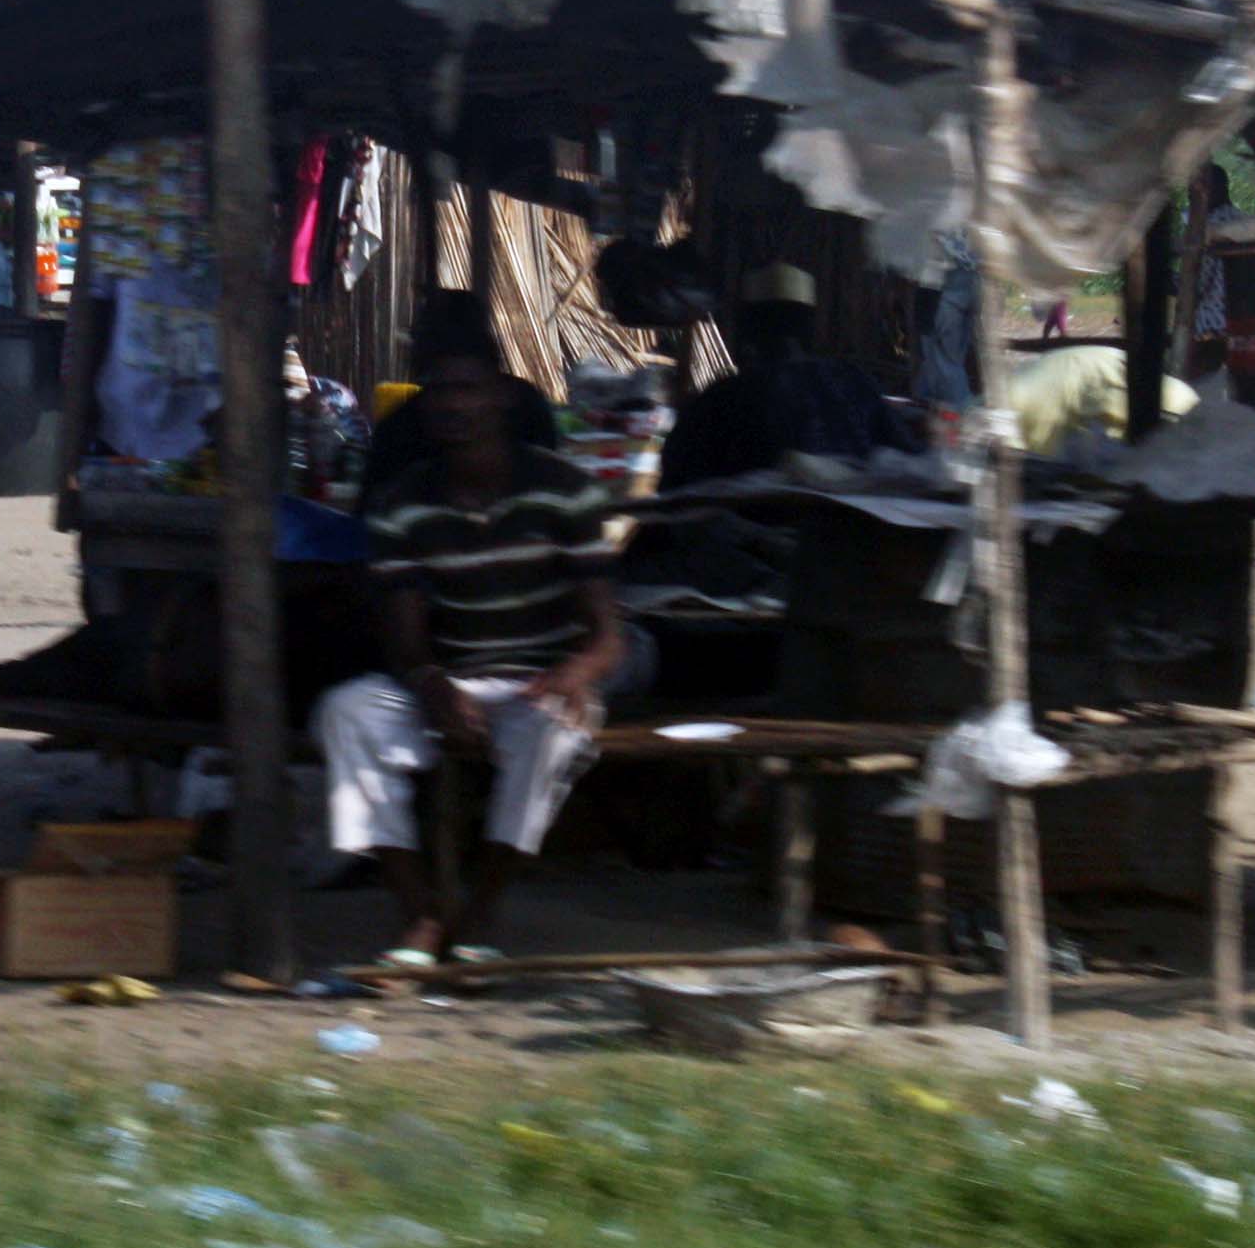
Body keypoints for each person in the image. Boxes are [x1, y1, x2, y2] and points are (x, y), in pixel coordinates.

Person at [316, 326, 625, 964]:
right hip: (452, 679)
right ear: (421, 407)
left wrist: (571, 675)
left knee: (552, 732)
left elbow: (606, 638)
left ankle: (480, 910)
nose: (454, 405)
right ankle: (420, 916)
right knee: (346, 712)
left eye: (468, 389)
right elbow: (405, 640)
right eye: (438, 393)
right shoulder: (403, 505)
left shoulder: (566, 489)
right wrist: (433, 686)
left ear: (503, 397)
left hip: (536, 681)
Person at [664, 263, 910, 490]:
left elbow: (676, 479)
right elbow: (905, 457)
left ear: (748, 327)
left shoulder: (724, 397)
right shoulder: (854, 382)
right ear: (812, 327)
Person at [356, 289, 556, 498]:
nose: (454, 404)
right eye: (442, 389)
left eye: (466, 389)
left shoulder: (528, 410)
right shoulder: (398, 434)